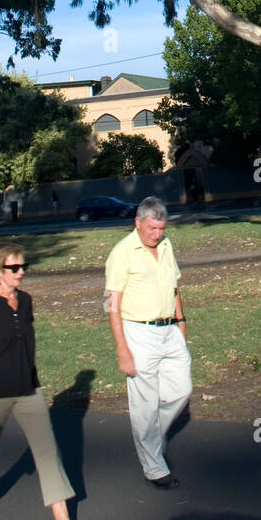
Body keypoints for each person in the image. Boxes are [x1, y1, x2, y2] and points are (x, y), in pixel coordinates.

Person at [0, 243, 99, 520]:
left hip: (27, 390)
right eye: (14, 268)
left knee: (48, 453)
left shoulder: (25, 301)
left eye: (24, 267)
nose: (21, 272)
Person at [105, 197, 191, 489]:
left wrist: (182, 323)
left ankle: (152, 438)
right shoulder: (122, 253)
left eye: (161, 229)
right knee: (144, 404)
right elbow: (111, 305)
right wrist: (122, 350)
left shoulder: (166, 246)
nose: (157, 234)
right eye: (152, 228)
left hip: (169, 329)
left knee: (181, 391)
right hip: (138, 332)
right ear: (138, 223)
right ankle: (154, 467)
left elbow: (175, 287)